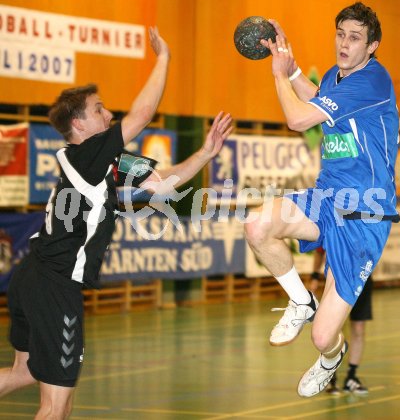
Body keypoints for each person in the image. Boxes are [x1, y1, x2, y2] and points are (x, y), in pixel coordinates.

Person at [0, 26, 233, 419]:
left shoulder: (106, 163)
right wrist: (163, 59)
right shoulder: (86, 155)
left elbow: (163, 185)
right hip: (55, 285)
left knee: (23, 372)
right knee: (56, 407)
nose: (109, 115)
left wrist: (207, 152)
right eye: (99, 110)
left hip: (33, 278)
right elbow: (142, 115)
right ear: (80, 126)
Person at [244, 2, 400, 398]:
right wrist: (291, 67)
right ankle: (301, 301)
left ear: (372, 46)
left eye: (355, 38)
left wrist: (278, 76)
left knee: (322, 337)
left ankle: (332, 358)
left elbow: (298, 119)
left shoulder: (373, 82)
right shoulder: (336, 77)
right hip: (328, 196)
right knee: (257, 224)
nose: (344, 44)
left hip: (365, 216)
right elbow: (318, 101)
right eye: (340, 34)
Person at [309, 249, 371, 395]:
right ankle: (330, 376)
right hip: (339, 276)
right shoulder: (337, 226)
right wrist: (315, 275)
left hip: (362, 276)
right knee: (332, 329)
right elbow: (319, 251)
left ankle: (351, 376)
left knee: (359, 328)